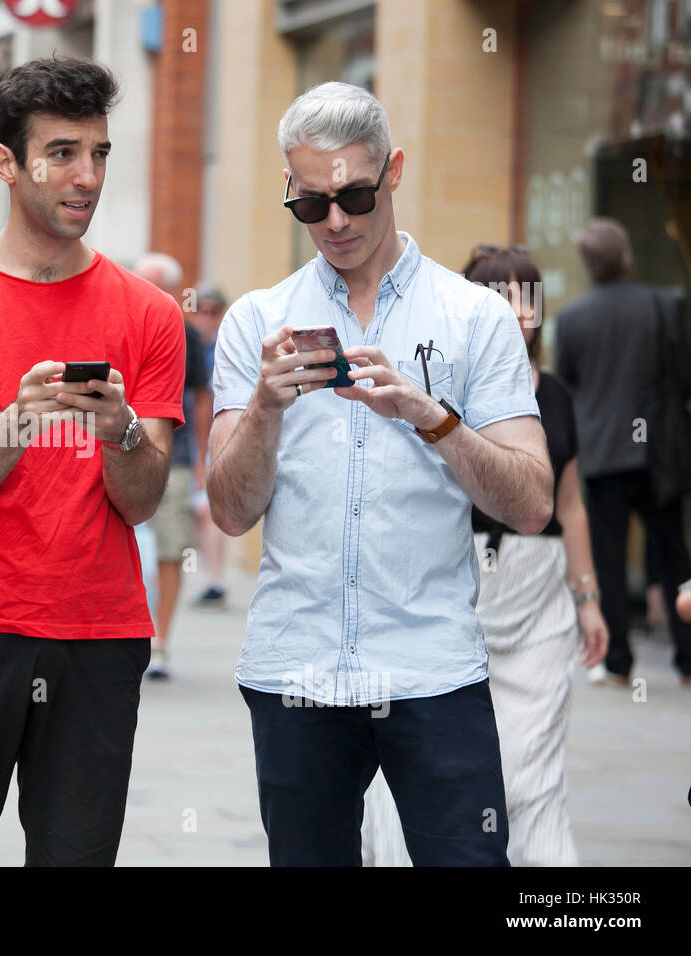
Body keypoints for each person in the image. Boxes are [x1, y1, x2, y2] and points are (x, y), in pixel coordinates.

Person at [207, 81, 553, 867]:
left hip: (432, 667)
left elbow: (531, 504)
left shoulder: (475, 318)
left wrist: (432, 419)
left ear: (393, 170)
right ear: (289, 190)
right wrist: (264, 406)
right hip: (296, 669)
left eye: (355, 196)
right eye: (310, 205)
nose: (334, 222)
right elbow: (229, 513)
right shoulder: (257, 323)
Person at [0, 55, 185, 867]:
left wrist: (122, 431)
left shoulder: (150, 314)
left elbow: (144, 501)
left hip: (97, 634)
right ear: (5, 162)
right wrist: (14, 425)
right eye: (61, 153)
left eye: (99, 152)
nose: (86, 176)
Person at [361, 246, 610, 867]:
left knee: (534, 770)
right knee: (421, 760)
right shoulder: (437, 382)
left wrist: (589, 598)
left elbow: (571, 506)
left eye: (526, 298)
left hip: (537, 593)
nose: (514, 312)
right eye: (498, 296)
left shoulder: (556, 395)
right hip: (450, 584)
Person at [554, 218, 691, 687]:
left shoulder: (572, 318)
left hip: (605, 453)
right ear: (626, 256)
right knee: (674, 554)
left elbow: (569, 388)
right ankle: (689, 661)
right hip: (658, 453)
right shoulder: (663, 305)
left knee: (608, 559)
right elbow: (681, 376)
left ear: (588, 264)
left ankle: (617, 663)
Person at [134, 251, 209, 679]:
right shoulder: (120, 320)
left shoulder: (186, 333)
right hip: (116, 450)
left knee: (171, 549)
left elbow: (202, 396)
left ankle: (160, 640)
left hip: (174, 458)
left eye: (153, 284)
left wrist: (201, 459)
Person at [189, 283, 229, 610]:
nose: (206, 317)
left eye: (213, 311)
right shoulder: (186, 343)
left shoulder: (224, 347)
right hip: (182, 433)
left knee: (206, 508)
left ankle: (215, 579)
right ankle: (211, 576)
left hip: (214, 432)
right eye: (201, 309)